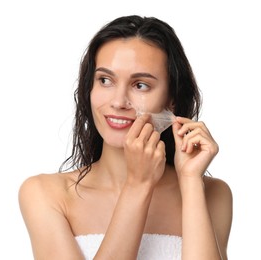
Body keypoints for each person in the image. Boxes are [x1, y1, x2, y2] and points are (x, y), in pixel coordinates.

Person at [18, 15, 233, 260]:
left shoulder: (213, 194)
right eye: (105, 80)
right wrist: (138, 185)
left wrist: (191, 181)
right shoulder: (46, 194)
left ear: (171, 99)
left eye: (140, 85)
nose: (118, 102)